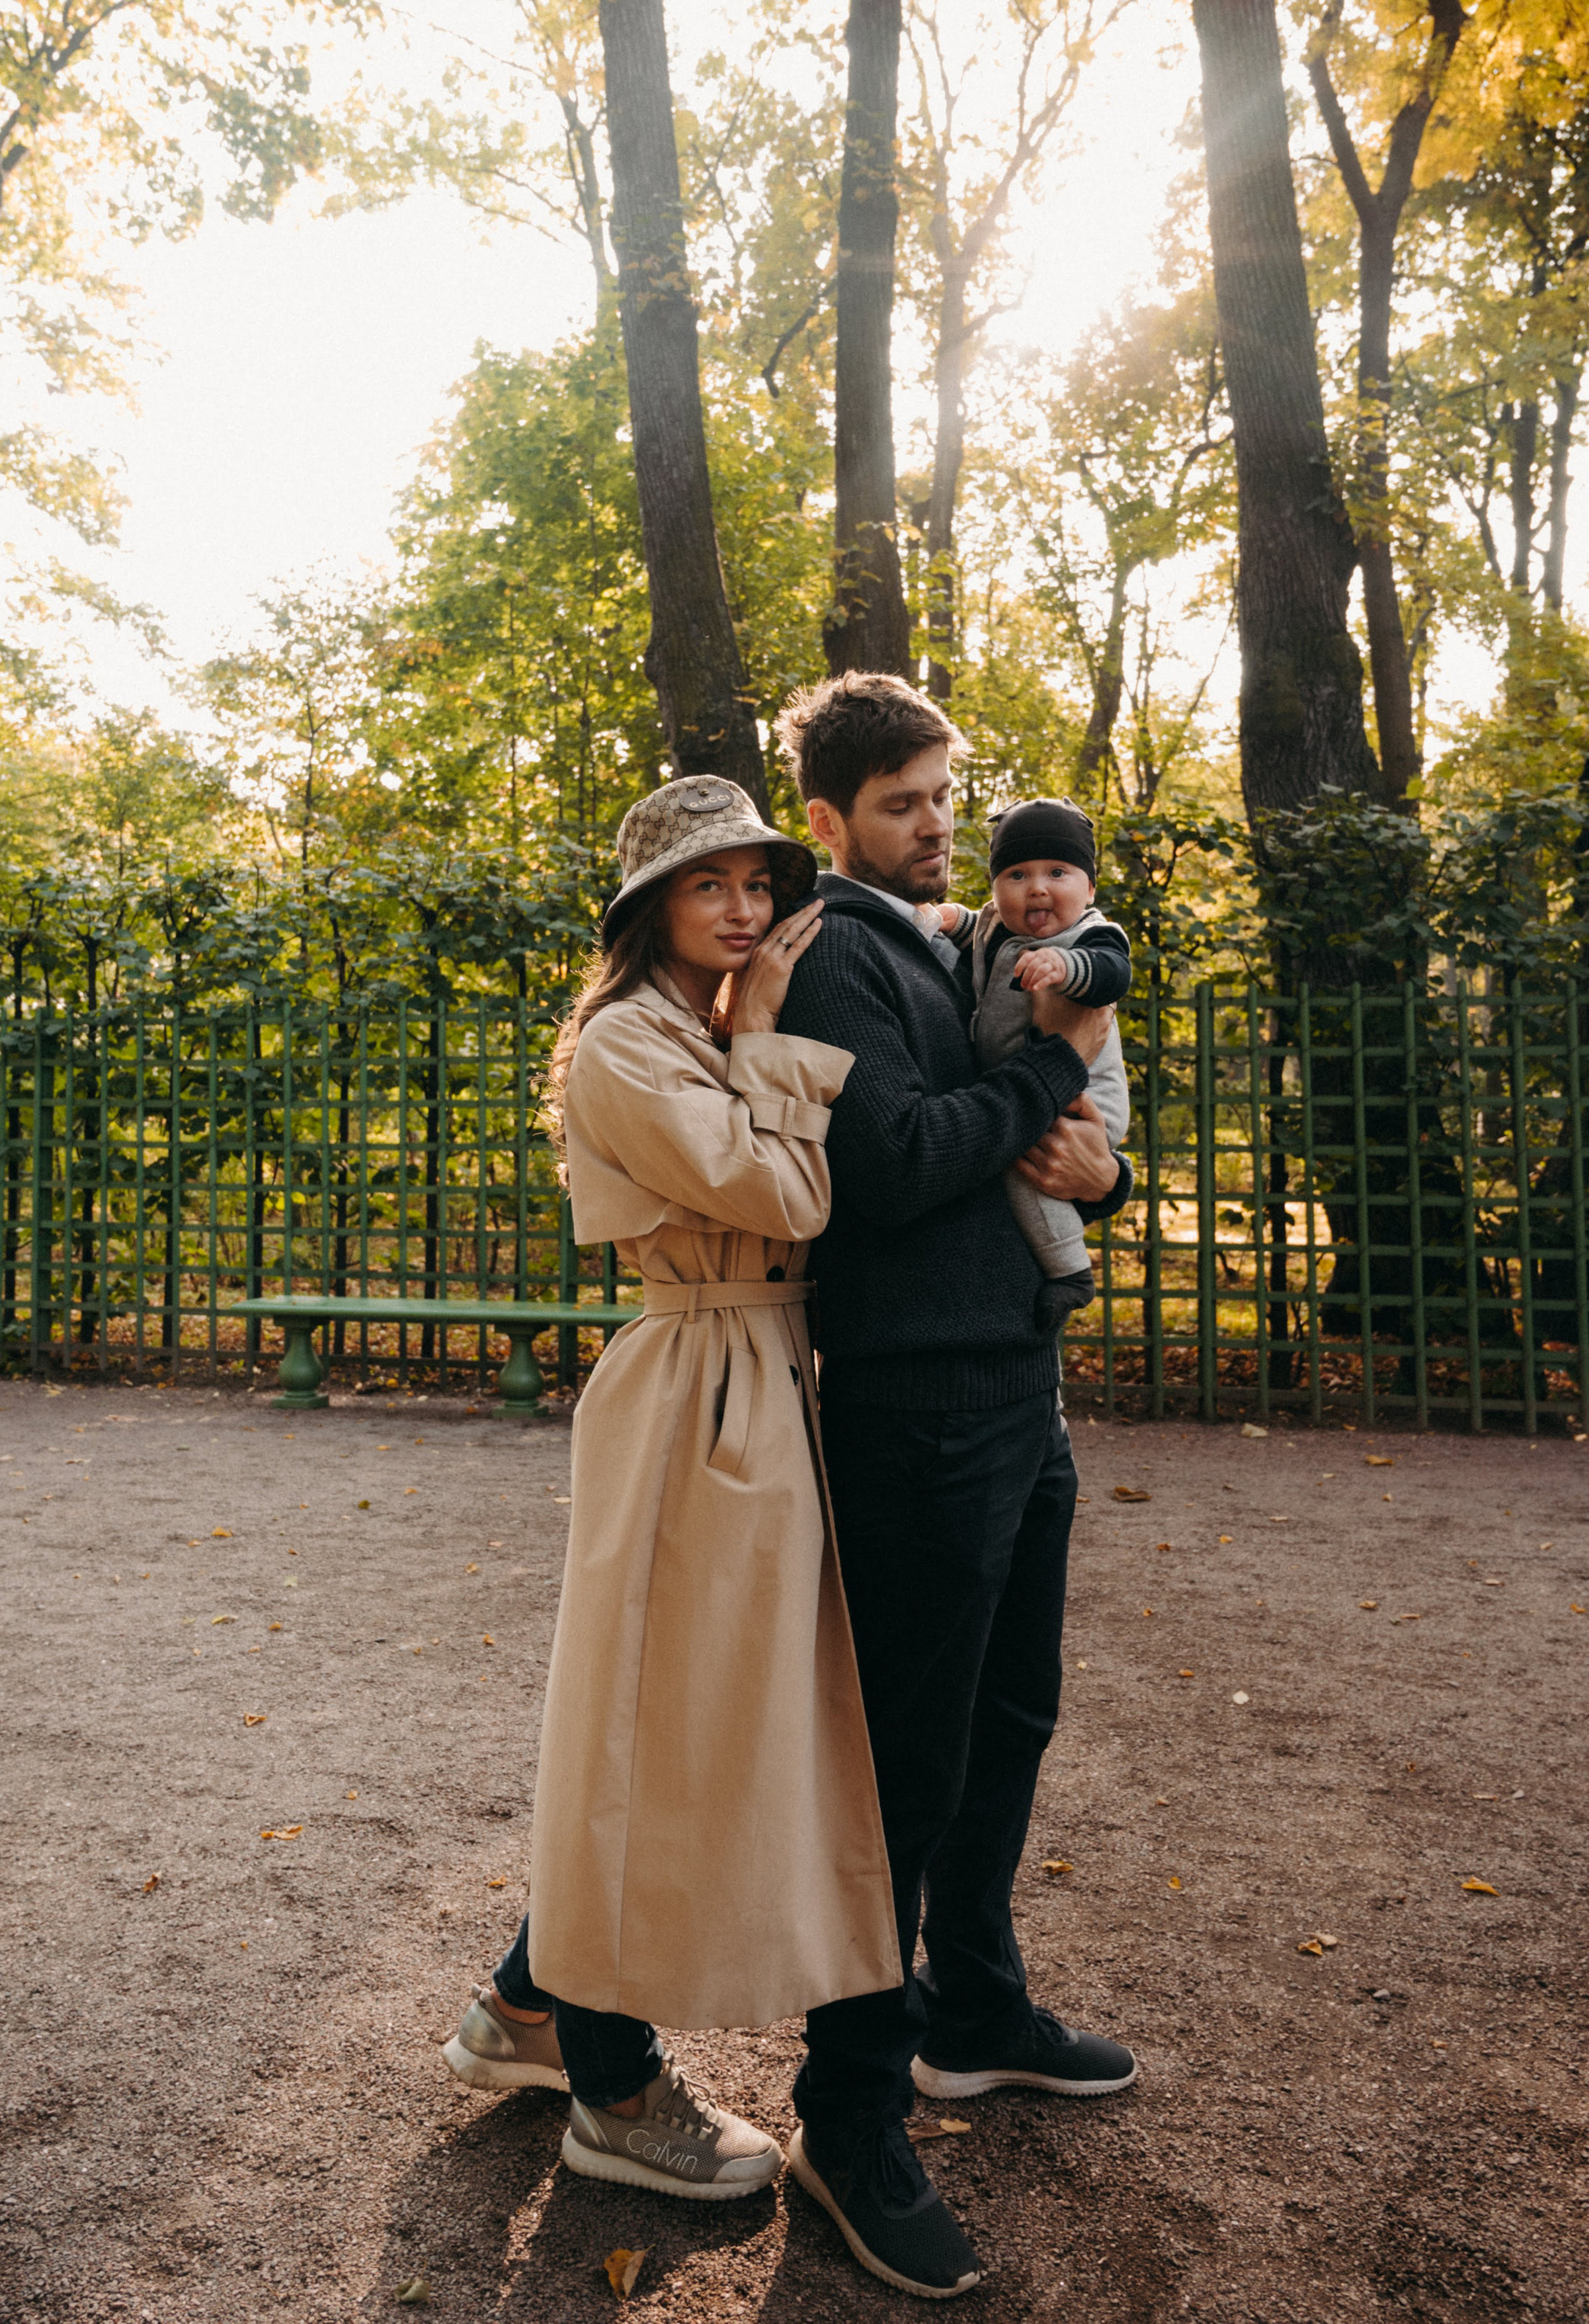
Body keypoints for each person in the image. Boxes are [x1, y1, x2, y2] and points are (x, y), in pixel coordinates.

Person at [441, 774, 899, 2203]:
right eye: (710, 886)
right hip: (695, 1378)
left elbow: (781, 1189)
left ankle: (524, 2007)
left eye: (757, 883)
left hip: (757, 1372)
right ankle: (613, 2083)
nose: (743, 908)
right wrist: (764, 1040)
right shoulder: (628, 1045)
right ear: (652, 907)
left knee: (696, 1724)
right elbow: (787, 1199)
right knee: (643, 1719)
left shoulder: (693, 1029)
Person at [772, 673, 1139, 2301]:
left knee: (1009, 1718)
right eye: (909, 801)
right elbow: (898, 1163)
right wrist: (1048, 1078)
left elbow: (1025, 1141)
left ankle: (975, 2009)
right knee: (906, 1764)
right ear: (832, 818)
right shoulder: (838, 948)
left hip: (1013, 1380)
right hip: (917, 1399)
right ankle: (846, 2110)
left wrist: (1093, 1158)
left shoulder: (950, 943)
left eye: (946, 796)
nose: (941, 824)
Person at [940, 796, 1132, 1337]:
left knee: (1025, 1171)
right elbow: (973, 933)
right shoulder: (994, 924)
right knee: (1017, 1158)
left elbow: (1113, 973)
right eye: (1017, 874)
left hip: (1085, 1098)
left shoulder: (1090, 935)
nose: (1037, 887)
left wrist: (1067, 965)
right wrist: (953, 919)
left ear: (1090, 889)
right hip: (1030, 1087)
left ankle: (1069, 1269)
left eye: (1058, 872)